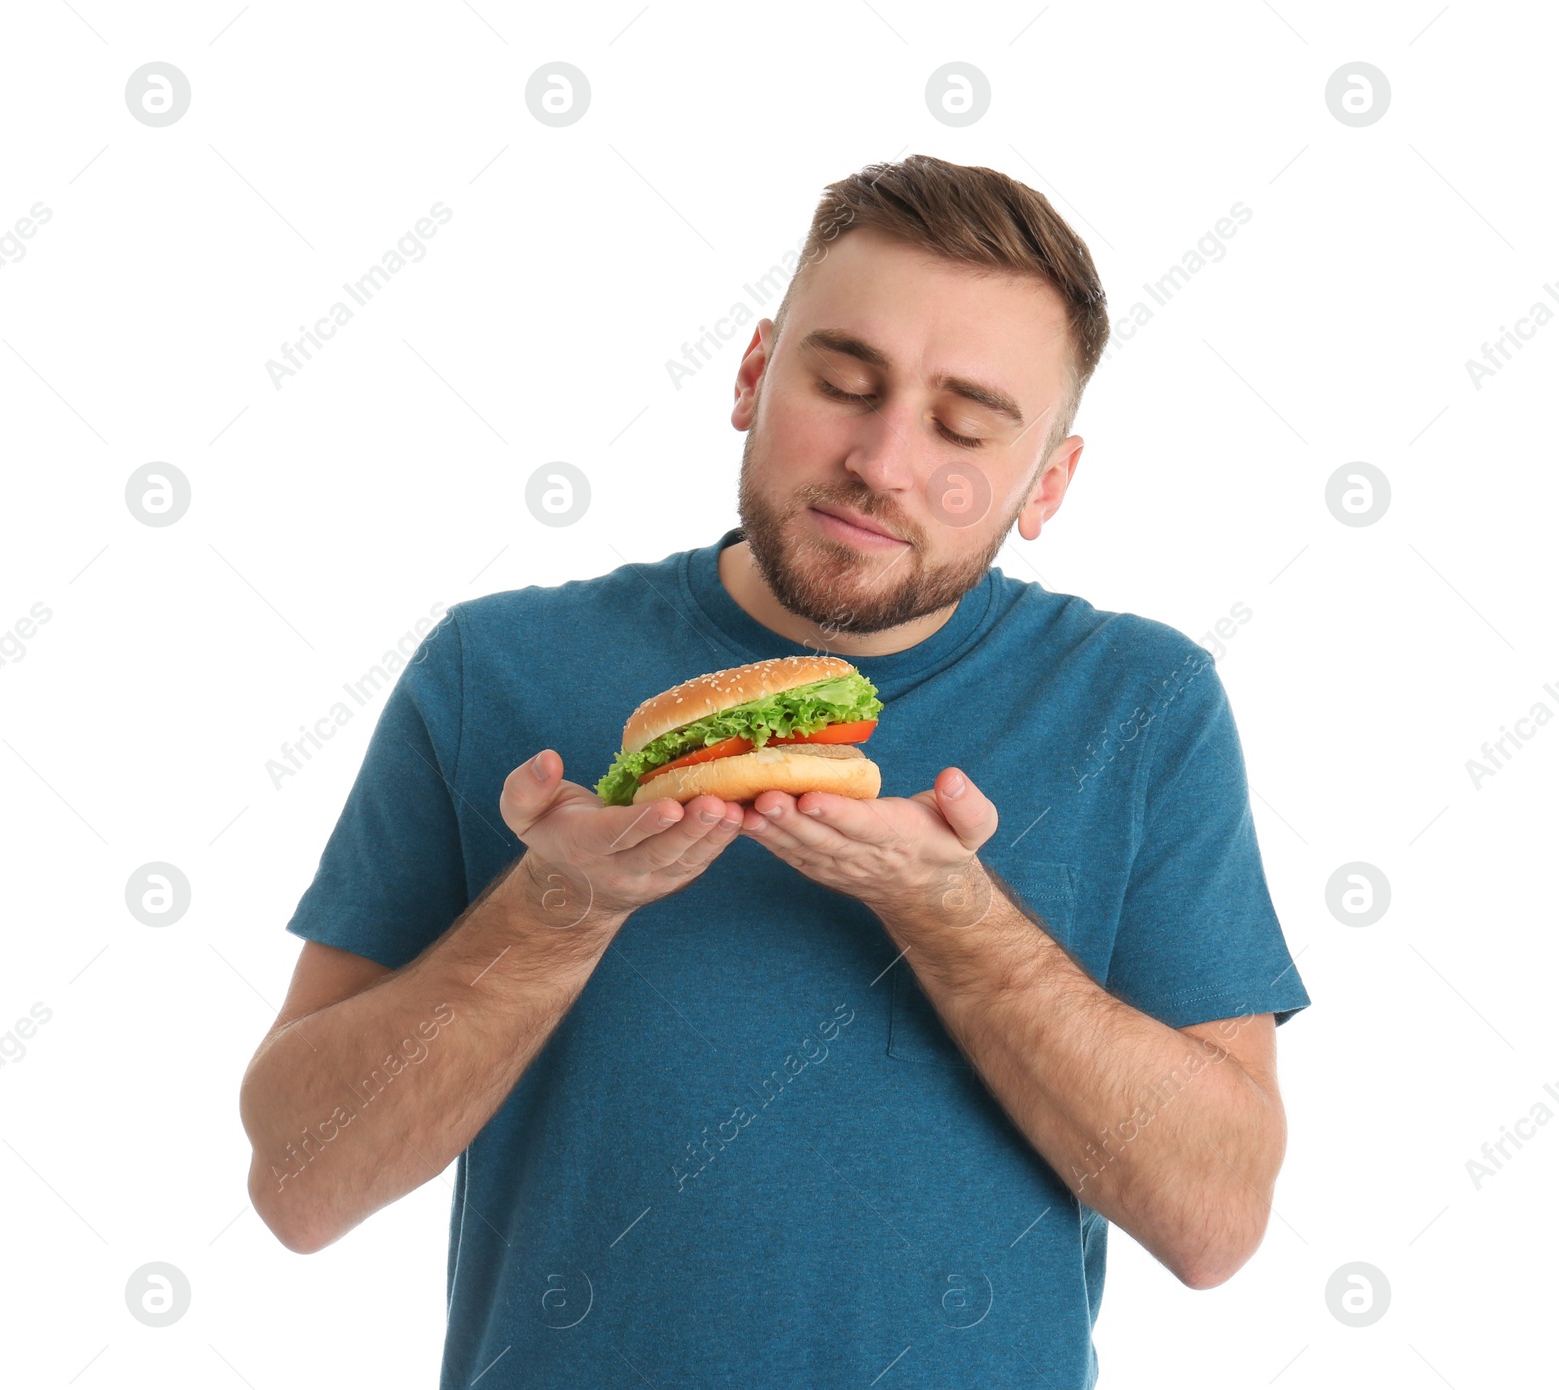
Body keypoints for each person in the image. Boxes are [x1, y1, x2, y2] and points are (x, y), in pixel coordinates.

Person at [238, 153, 1309, 1388]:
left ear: (1046, 485)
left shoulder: (1143, 703)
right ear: (753, 374)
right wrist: (552, 914)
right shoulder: (498, 668)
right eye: (845, 382)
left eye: (964, 426)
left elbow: (1216, 1223)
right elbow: (298, 1182)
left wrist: (952, 914)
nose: (885, 460)